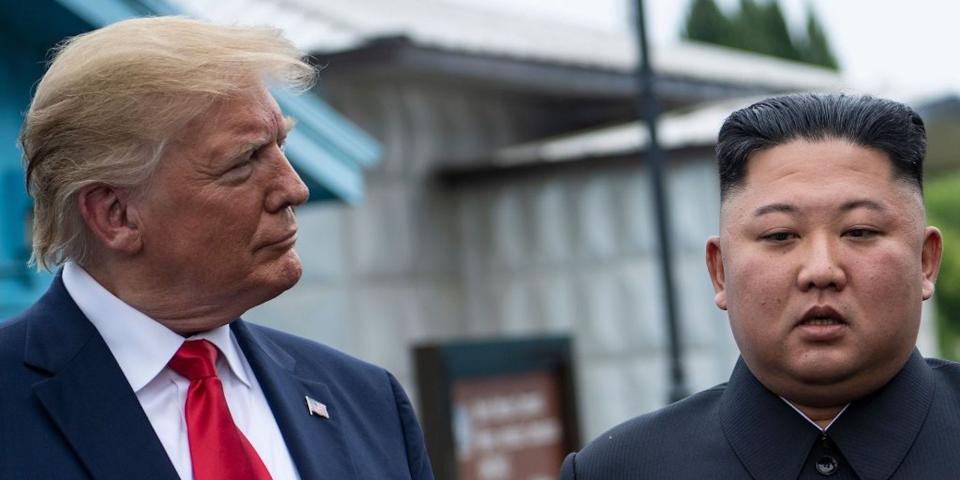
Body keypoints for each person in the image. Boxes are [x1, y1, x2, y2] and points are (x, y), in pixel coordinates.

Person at [0, 16, 433, 480]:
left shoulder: (367, 401)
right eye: (244, 160)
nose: (294, 188)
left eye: (281, 146)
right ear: (116, 215)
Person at [560, 94, 957, 479]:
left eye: (859, 231)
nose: (820, 270)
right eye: (780, 235)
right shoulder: (619, 469)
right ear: (720, 271)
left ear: (925, 260)